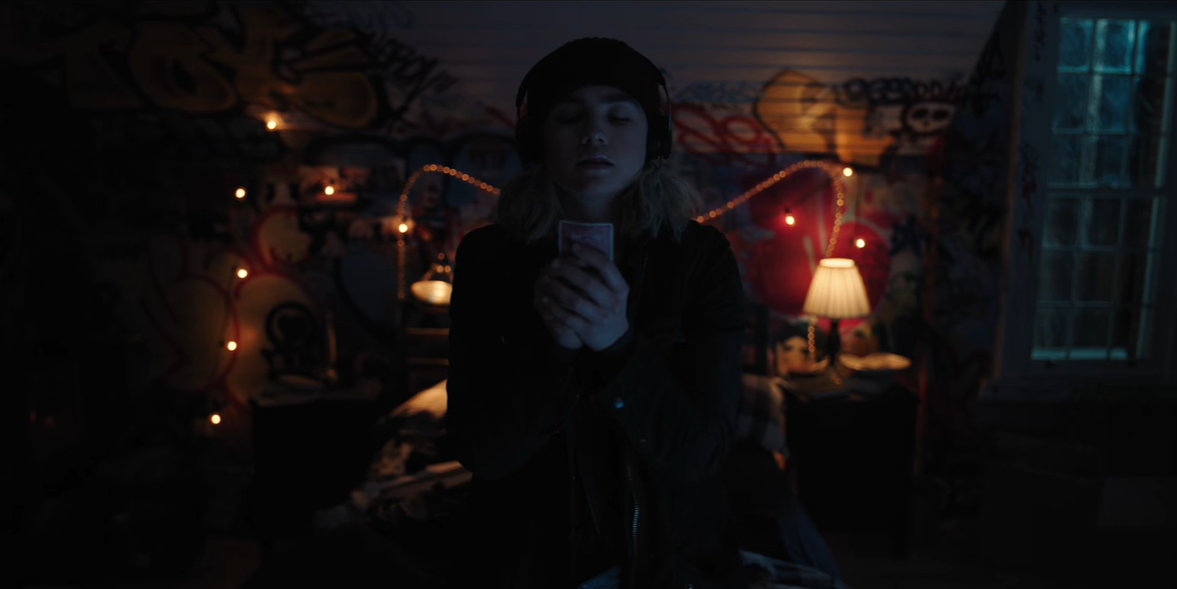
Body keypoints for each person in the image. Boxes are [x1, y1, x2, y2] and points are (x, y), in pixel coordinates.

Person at [445, 38, 748, 589]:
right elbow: (482, 451)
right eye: (569, 117)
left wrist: (617, 346)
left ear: (654, 135)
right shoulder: (488, 257)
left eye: (618, 116)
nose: (594, 134)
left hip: (669, 561)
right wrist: (555, 350)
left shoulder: (701, 258)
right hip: (524, 563)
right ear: (536, 138)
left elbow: (700, 454)